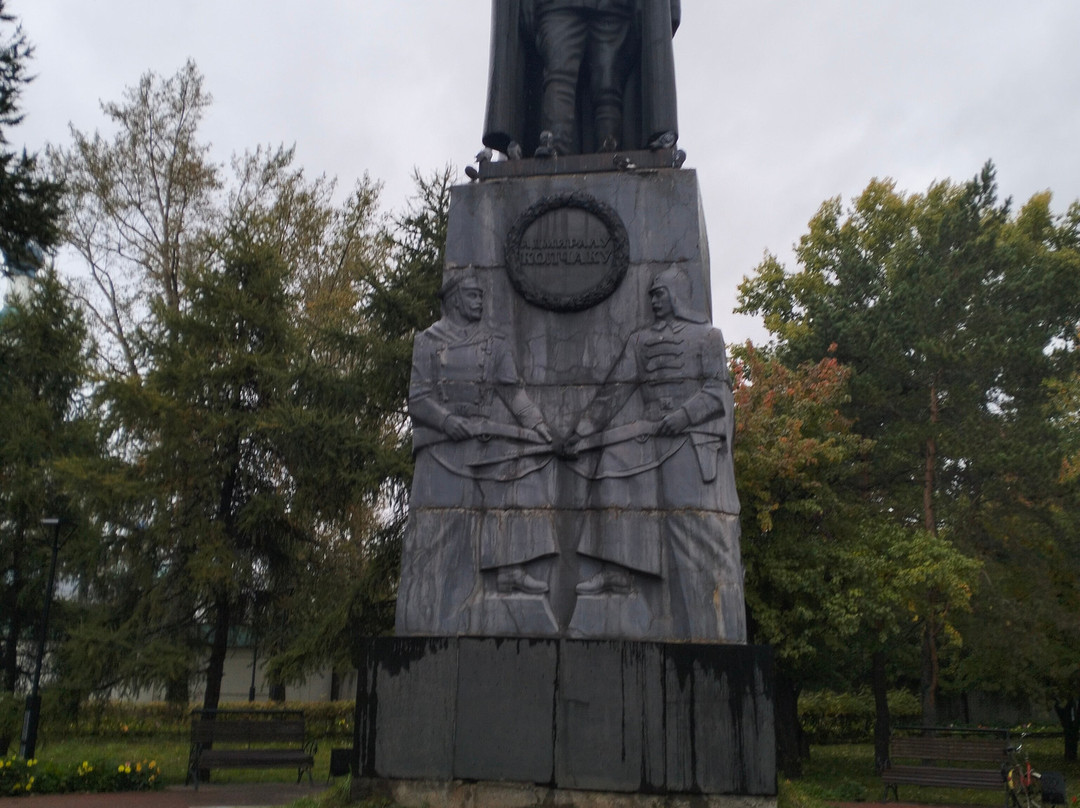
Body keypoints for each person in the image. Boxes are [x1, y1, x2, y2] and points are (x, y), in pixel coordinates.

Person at [567, 266, 746, 642]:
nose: (653, 300)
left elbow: (717, 394)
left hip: (687, 437)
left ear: (676, 296)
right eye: (650, 295)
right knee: (610, 466)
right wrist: (583, 429)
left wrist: (682, 416)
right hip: (647, 431)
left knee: (689, 525)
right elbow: (615, 391)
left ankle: (707, 608)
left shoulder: (707, 338)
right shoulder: (640, 340)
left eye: (659, 293)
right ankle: (617, 568)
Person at [395, 272, 557, 635]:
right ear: (454, 299)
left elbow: (514, 395)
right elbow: (418, 399)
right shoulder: (428, 341)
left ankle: (510, 569)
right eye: (472, 295)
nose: (480, 301)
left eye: (481, 296)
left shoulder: (493, 344)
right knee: (441, 528)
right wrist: (447, 421)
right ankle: (428, 600)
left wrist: (540, 428)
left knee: (525, 482)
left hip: (485, 442)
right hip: (442, 446)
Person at [483, 0, 680, 157]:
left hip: (613, 8)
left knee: (607, 85)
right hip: (558, 6)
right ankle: (554, 146)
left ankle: (609, 148)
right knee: (560, 77)